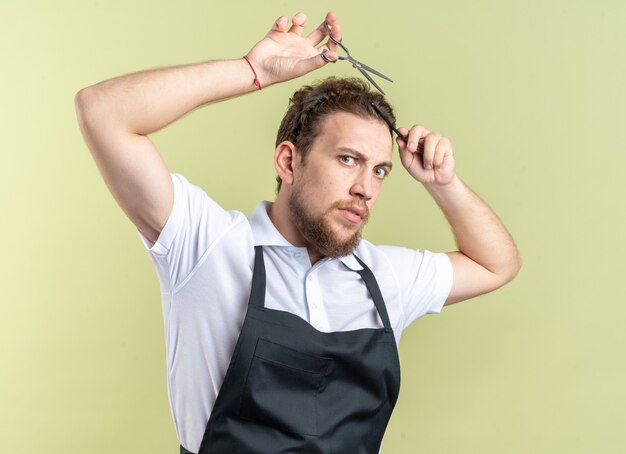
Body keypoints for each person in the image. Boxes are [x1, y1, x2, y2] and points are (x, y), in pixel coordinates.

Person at [75, 11, 521, 454]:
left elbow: (495, 263)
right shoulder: (208, 246)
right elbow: (103, 111)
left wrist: (443, 184)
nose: (366, 188)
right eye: (348, 159)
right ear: (289, 162)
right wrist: (251, 71)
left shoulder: (385, 279)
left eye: (380, 170)